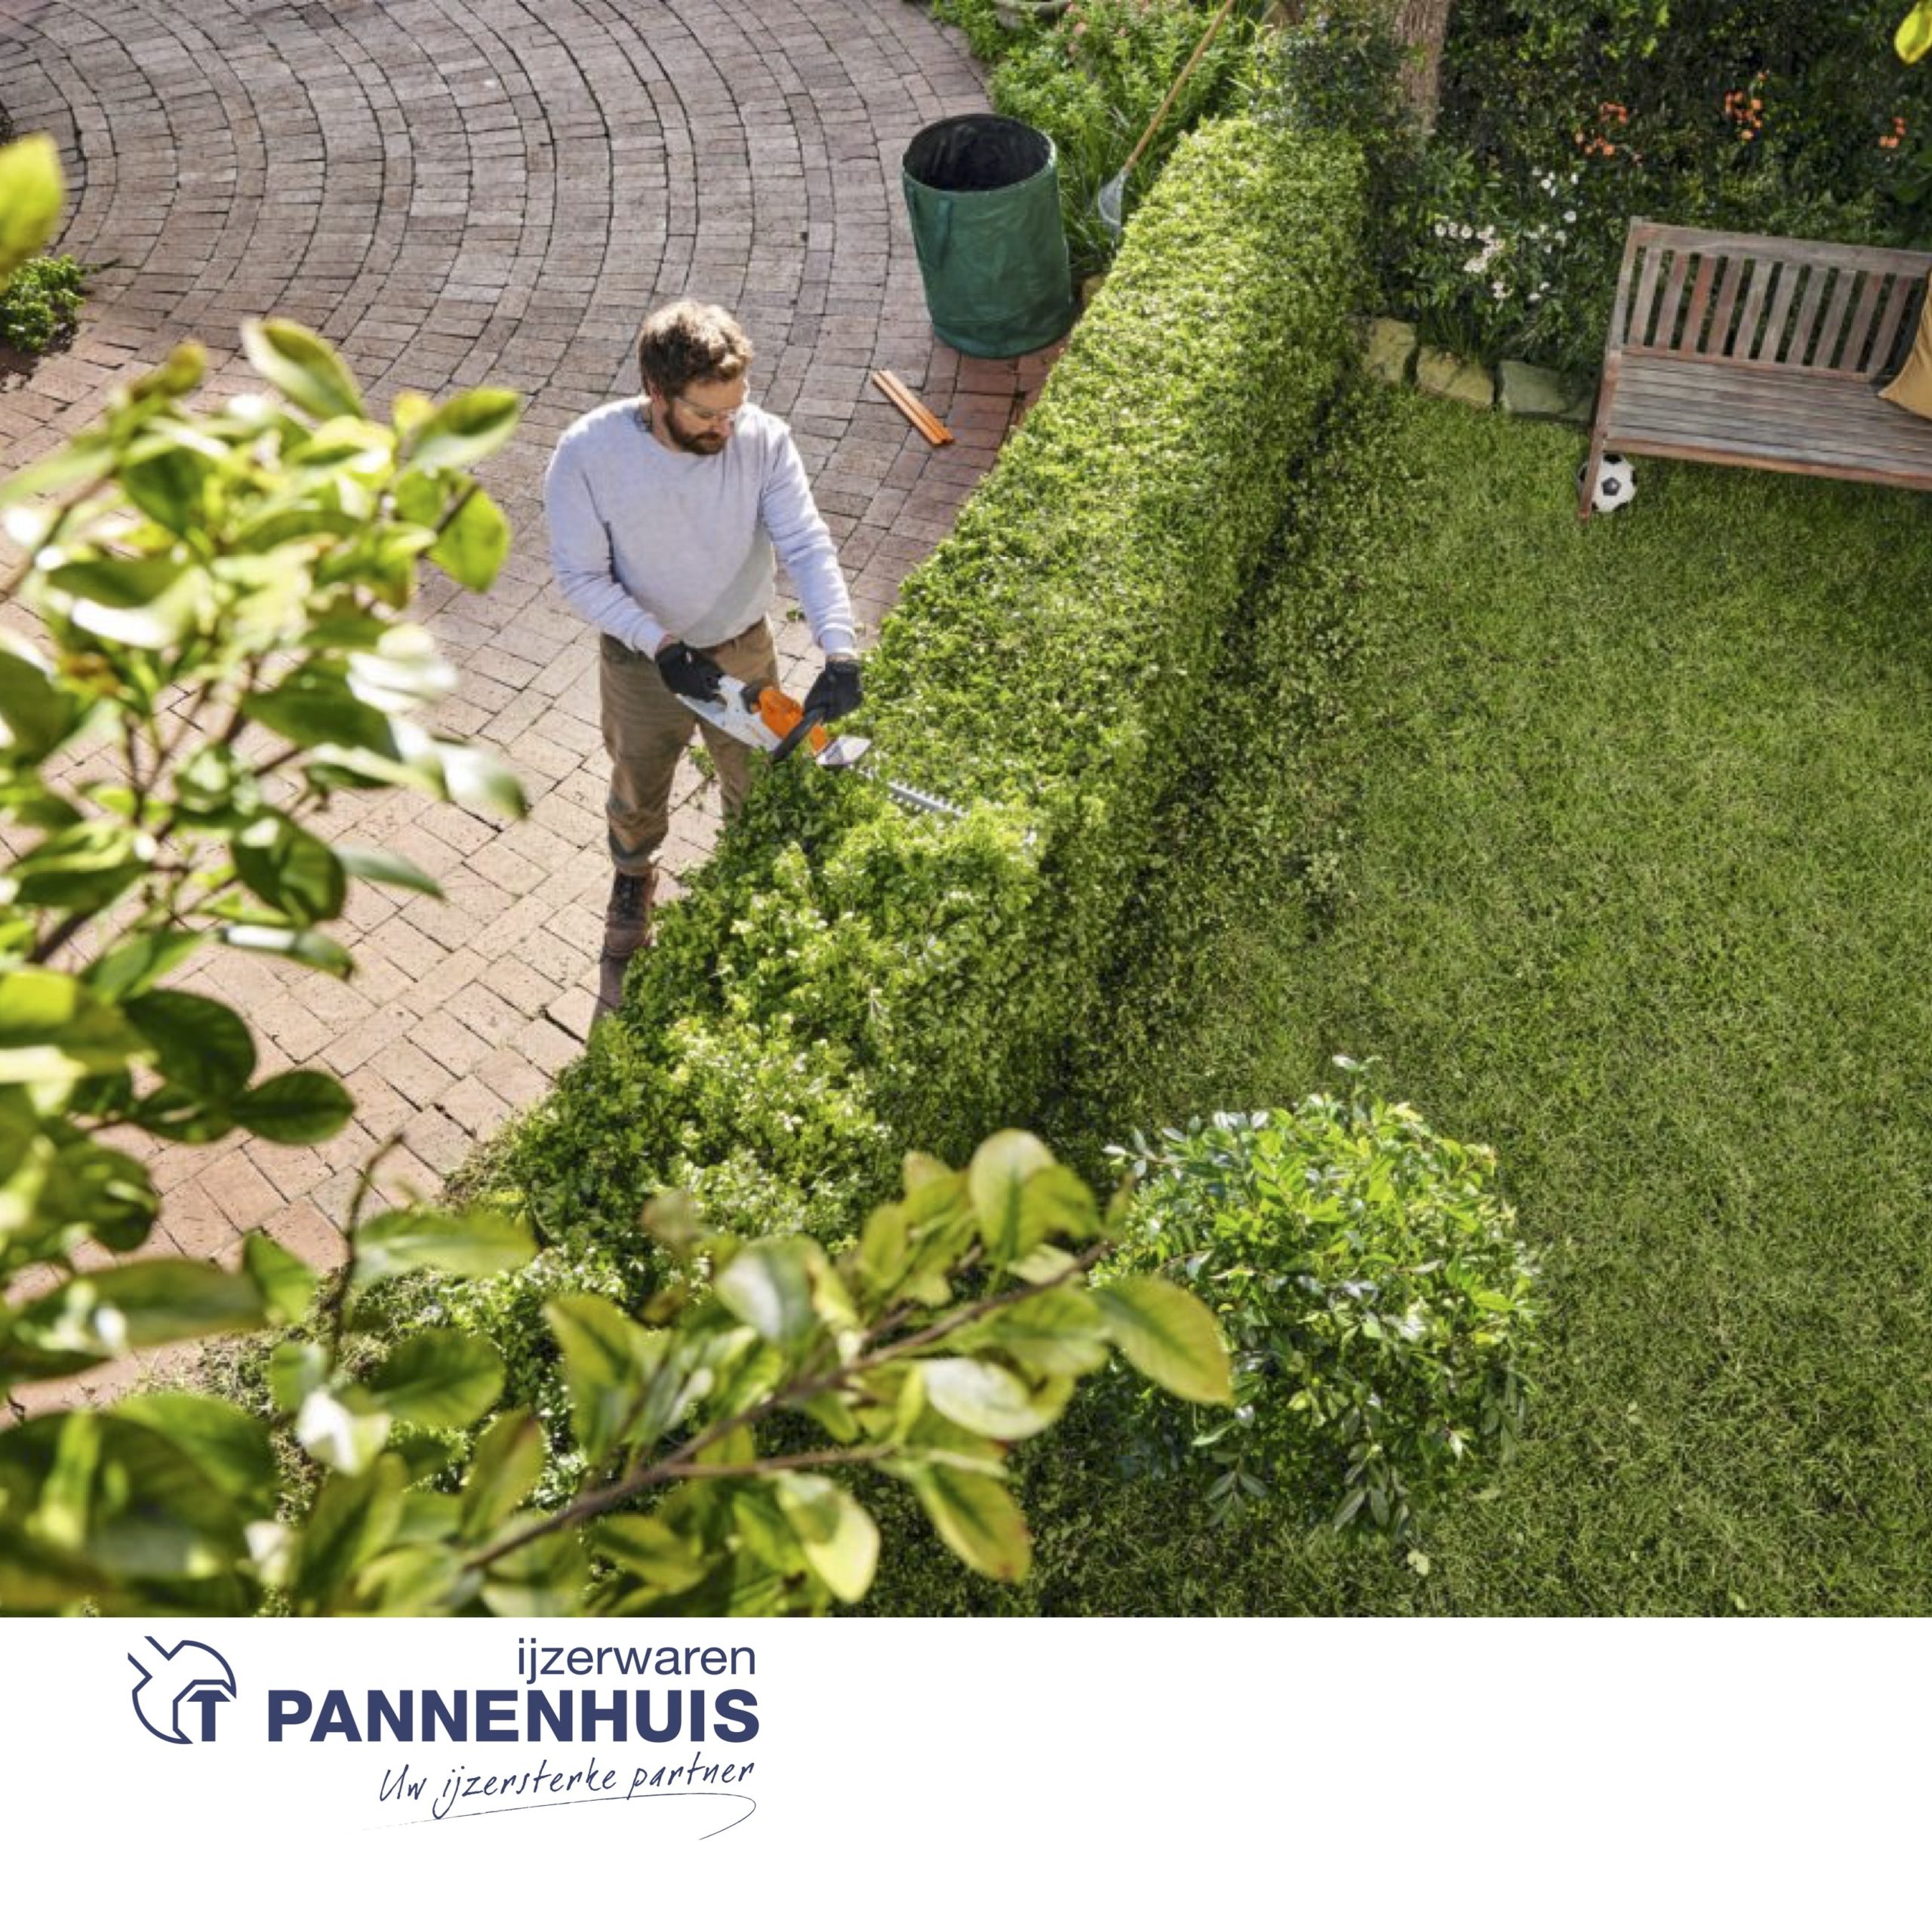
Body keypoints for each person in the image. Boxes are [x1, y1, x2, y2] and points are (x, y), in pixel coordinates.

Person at [543, 300, 864, 1015]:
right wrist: (658, 644)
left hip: (741, 645)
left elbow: (806, 544)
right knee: (637, 782)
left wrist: (840, 649)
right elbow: (581, 576)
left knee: (759, 785)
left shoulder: (762, 440)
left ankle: (750, 889)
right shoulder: (588, 455)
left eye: (735, 409)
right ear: (656, 394)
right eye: (707, 415)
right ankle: (634, 877)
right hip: (642, 661)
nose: (726, 428)